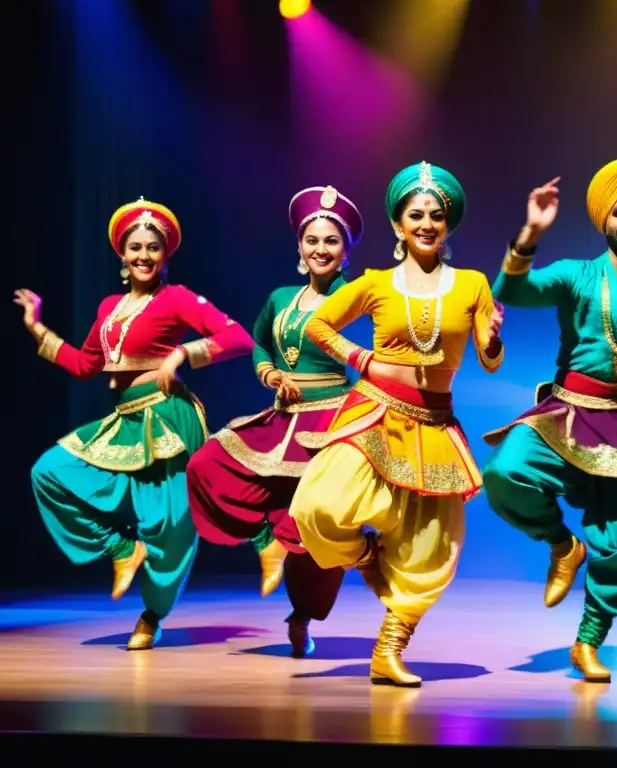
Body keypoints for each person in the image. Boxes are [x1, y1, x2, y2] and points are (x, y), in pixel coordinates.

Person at [481, 156, 617, 683]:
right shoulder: (577, 276)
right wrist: (530, 232)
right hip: (567, 411)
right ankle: (563, 545)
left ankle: (588, 641)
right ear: (606, 221)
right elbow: (513, 291)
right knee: (504, 472)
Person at [288, 161, 505, 686]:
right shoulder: (375, 283)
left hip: (433, 423)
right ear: (397, 224)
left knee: (434, 548)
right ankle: (365, 556)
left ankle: (389, 650)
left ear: (447, 224)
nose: (426, 222)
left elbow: (489, 358)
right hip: (374, 411)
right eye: (416, 214)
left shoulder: (473, 284)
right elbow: (316, 323)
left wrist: (495, 335)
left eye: (436, 214)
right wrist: (361, 359)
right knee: (315, 506)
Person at [16, 197, 254, 650]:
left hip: (168, 416)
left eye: (153, 247)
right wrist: (37, 328)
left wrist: (183, 353)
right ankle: (124, 550)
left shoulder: (178, 298)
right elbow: (87, 364)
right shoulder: (109, 306)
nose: (144, 255)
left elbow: (237, 337)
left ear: (165, 255)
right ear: (122, 255)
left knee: (168, 524)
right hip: (126, 416)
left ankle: (151, 615)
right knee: (49, 471)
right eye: (135, 247)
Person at [186, 186, 363, 657]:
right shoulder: (281, 296)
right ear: (300, 249)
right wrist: (267, 372)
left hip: (332, 419)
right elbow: (261, 342)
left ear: (346, 252)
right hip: (281, 416)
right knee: (207, 464)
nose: (321, 249)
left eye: (331, 241)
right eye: (313, 240)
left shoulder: (357, 295)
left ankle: (302, 615)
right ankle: (267, 540)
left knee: (316, 521)